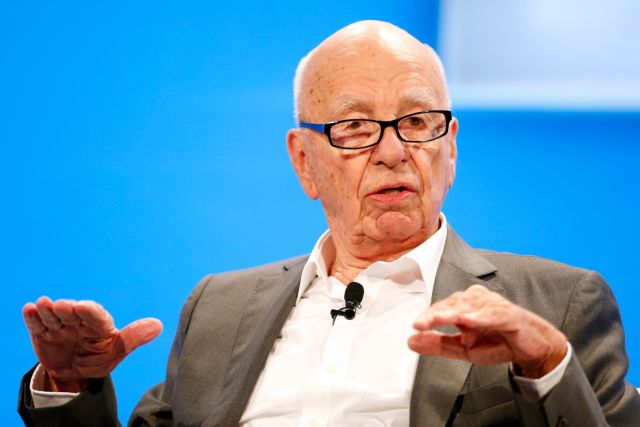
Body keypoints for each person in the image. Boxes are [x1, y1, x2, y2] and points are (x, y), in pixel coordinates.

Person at [18, 20, 640, 426]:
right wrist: (68, 385)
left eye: (416, 122)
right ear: (303, 161)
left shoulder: (553, 304)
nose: (393, 151)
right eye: (355, 127)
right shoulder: (218, 309)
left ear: (450, 148)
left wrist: (548, 364)